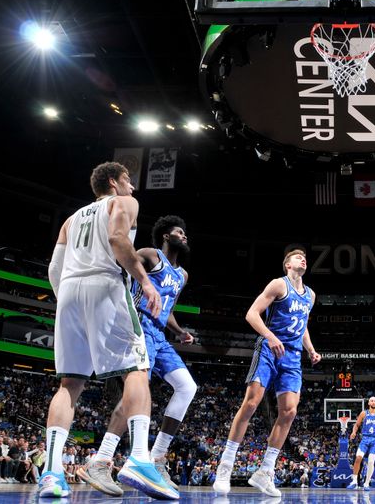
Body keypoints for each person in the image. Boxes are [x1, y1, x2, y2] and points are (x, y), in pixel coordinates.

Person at [43, 161, 177, 500]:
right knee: (137, 369)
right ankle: (139, 459)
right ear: (115, 182)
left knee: (70, 384)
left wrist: (69, 304)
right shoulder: (123, 203)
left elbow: (54, 269)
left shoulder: (71, 220)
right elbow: (118, 237)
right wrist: (144, 280)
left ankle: (52, 473)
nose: (133, 187)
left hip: (69, 292)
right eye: (129, 180)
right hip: (105, 284)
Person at [78, 215, 197, 495]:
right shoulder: (150, 255)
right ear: (166, 236)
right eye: (180, 232)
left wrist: (179, 331)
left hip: (159, 334)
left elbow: (166, 309)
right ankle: (102, 460)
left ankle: (157, 457)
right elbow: (123, 261)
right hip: (137, 327)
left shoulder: (182, 275)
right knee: (136, 394)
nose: (185, 236)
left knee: (187, 387)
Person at [213, 249, 320, 497]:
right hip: (269, 349)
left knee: (290, 411)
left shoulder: (311, 295)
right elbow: (251, 314)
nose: (302, 258)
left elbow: (302, 326)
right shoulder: (278, 285)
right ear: (287, 265)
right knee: (251, 403)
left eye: (304, 256)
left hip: (292, 356)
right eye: (297, 256)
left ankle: (265, 471)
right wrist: (270, 337)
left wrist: (311, 350)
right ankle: (225, 465)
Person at [347, 396, 375, 491]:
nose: (373, 402)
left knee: (371, 461)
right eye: (372, 401)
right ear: (369, 403)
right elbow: (357, 424)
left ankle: (366, 484)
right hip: (365, 439)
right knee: (358, 458)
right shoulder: (364, 413)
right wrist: (354, 432)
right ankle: (354, 481)